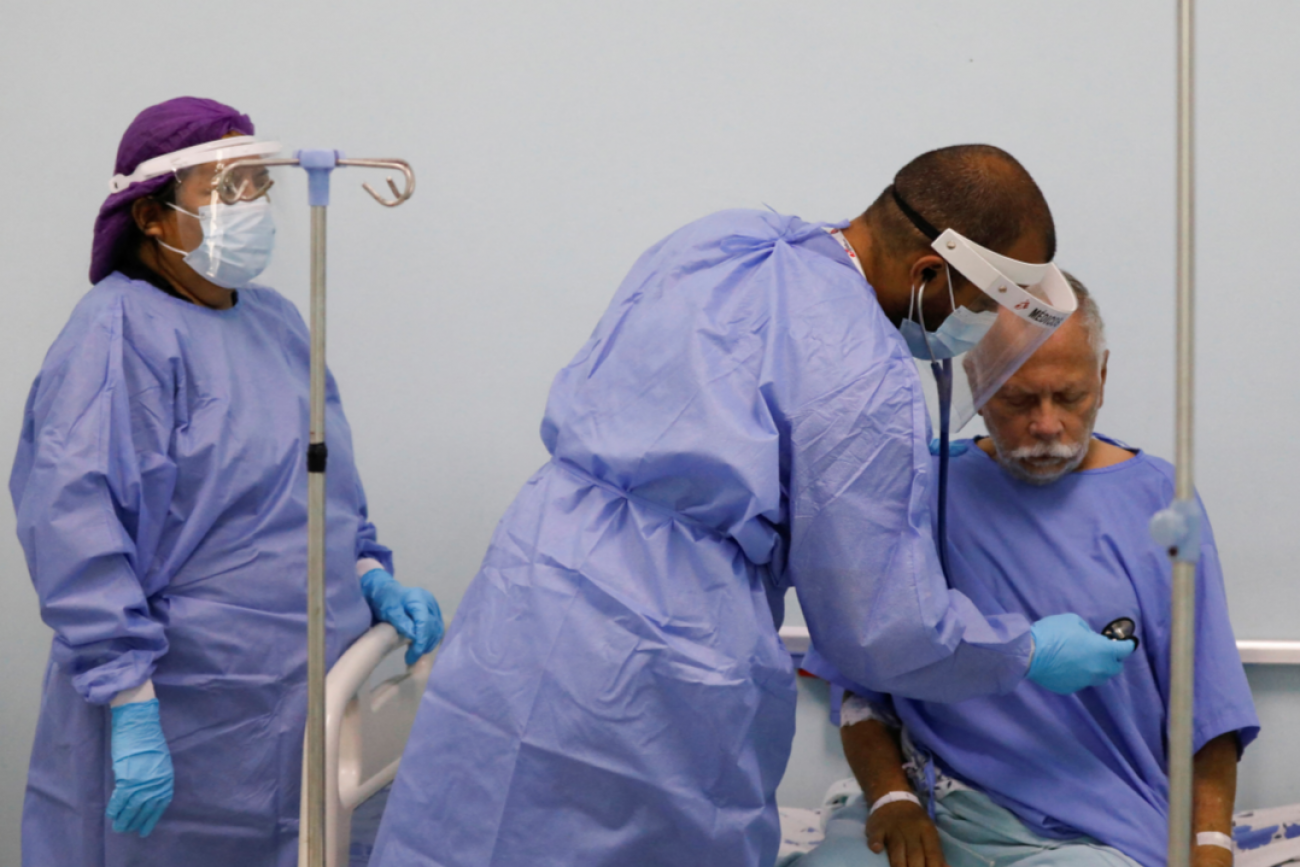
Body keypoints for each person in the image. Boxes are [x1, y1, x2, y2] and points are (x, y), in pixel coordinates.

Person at [371, 147, 1133, 867]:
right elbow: (881, 629)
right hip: (662, 653)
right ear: (931, 271)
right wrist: (1023, 651)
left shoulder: (726, 242)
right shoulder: (864, 377)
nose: (971, 333)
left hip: (532, 579)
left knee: (474, 830)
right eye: (976, 307)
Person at [10, 97, 445, 867]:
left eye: (259, 186)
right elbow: (71, 521)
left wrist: (370, 573)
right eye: (228, 188)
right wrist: (128, 697)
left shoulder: (277, 324)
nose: (253, 206)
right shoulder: (115, 335)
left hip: (303, 697)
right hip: (181, 706)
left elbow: (320, 487)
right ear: (151, 215)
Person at [795, 275, 1259, 867]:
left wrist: (1212, 848)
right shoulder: (925, 491)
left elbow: (1209, 711)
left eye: (1069, 397)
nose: (1045, 426)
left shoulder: (1161, 502)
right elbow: (860, 686)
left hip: (1088, 830)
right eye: (1017, 400)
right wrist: (891, 798)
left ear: (1103, 378)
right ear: (976, 384)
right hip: (934, 810)